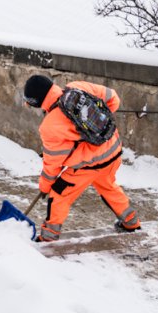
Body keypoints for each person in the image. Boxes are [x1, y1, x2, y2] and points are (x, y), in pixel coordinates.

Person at [21, 74, 140, 243]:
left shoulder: (50, 126)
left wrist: (45, 186)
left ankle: (48, 237)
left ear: (36, 102)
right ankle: (131, 222)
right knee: (108, 187)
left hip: (89, 165)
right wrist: (97, 126)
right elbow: (113, 98)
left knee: (59, 194)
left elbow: (53, 163)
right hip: (114, 150)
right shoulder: (77, 87)